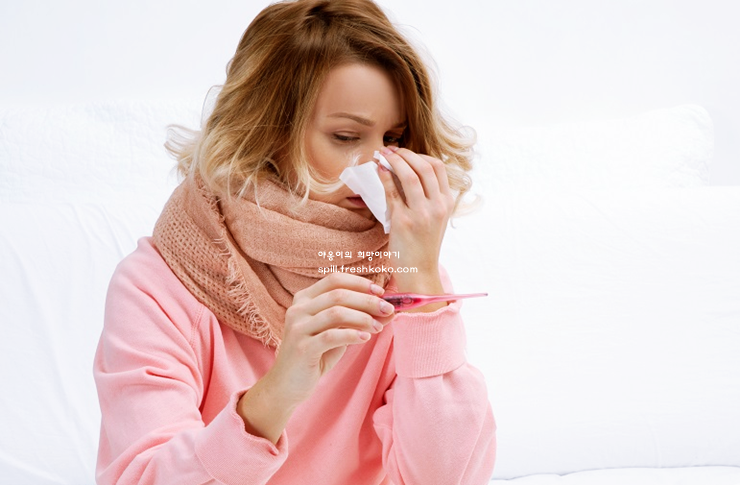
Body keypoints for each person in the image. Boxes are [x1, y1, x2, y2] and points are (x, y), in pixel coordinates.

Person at [93, 0, 496, 483]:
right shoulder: (157, 287)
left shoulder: (406, 275)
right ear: (265, 132)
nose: (381, 167)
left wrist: (423, 284)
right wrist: (277, 393)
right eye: (346, 136)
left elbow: (445, 477)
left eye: (394, 139)